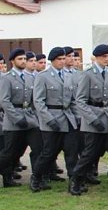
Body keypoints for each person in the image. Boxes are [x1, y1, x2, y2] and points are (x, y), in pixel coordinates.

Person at [70, 44, 108, 195]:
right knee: (90, 154)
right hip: (94, 118)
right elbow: (80, 100)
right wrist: (92, 119)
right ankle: (76, 180)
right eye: (104, 57)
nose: (107, 59)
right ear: (97, 57)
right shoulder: (88, 74)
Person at [30, 47, 79, 192]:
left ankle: (74, 181)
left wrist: (77, 117)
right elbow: (38, 101)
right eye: (59, 59)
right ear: (53, 60)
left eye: (64, 59)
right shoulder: (43, 76)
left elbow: (73, 100)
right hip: (52, 119)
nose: (62, 62)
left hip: (68, 118)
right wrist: (48, 119)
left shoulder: (69, 75)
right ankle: (37, 177)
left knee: (72, 153)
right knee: (48, 153)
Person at [0, 48, 42, 187]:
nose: (23, 61)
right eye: (20, 59)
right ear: (12, 61)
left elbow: (34, 99)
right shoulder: (6, 78)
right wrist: (16, 118)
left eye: (25, 59)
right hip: (13, 120)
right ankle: (7, 177)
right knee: (11, 152)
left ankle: (37, 178)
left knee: (38, 148)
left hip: (30, 117)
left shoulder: (31, 77)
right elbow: (5, 101)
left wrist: (36, 116)